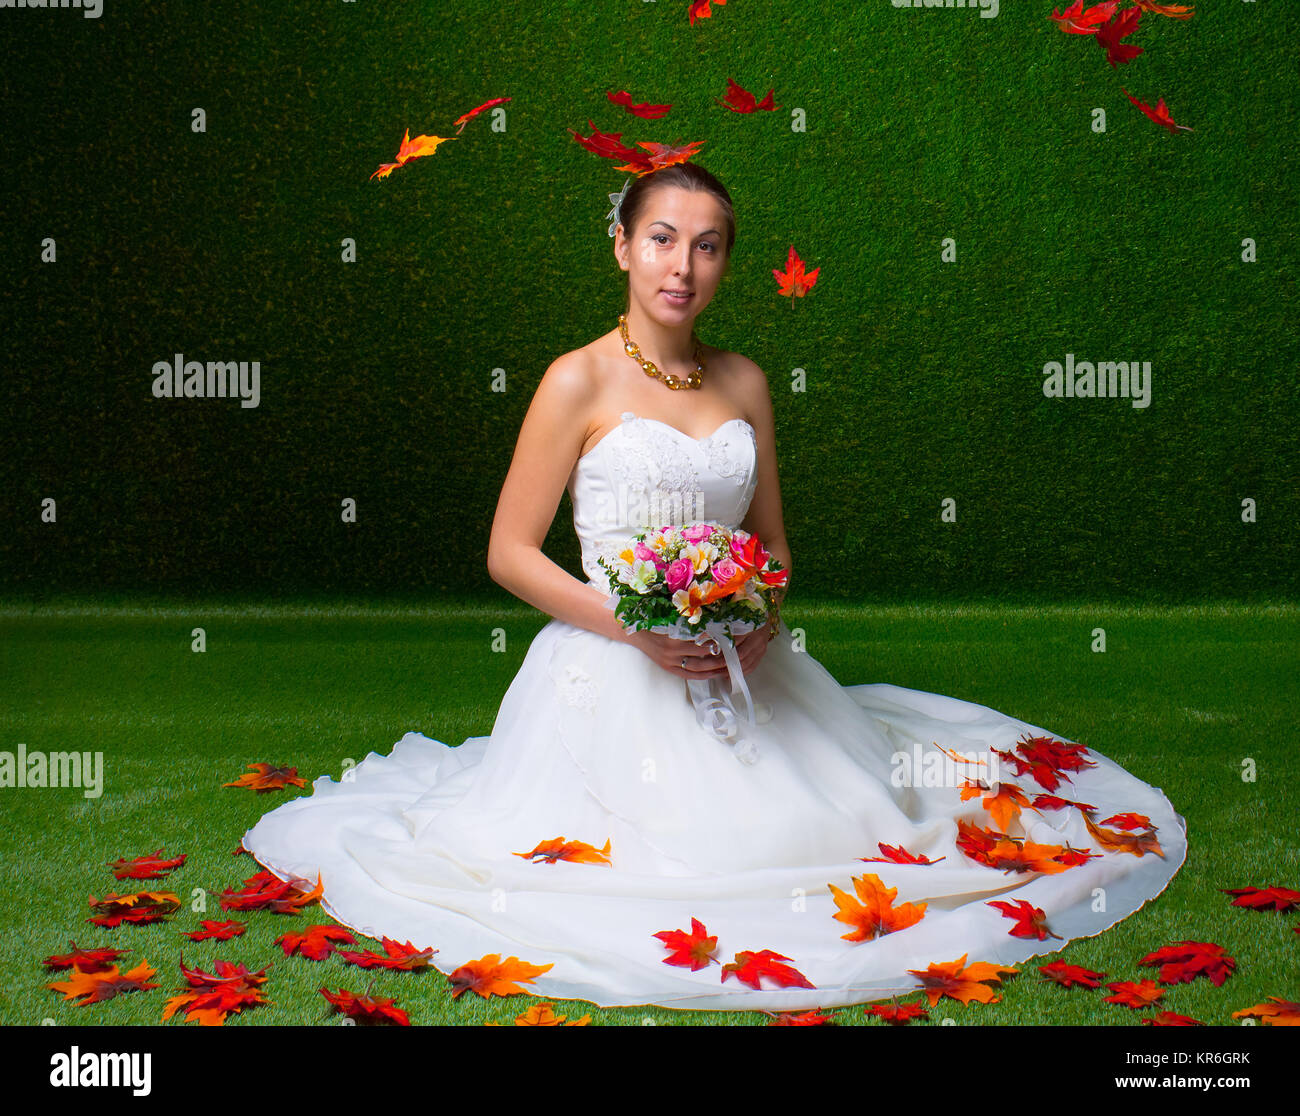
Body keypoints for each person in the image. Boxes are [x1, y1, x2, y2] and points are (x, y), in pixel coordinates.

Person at [242, 164, 1186, 1013]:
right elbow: (508, 552)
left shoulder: (744, 381)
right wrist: (635, 629)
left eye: (706, 246)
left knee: (846, 824)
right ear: (621, 245)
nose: (680, 266)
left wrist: (759, 612)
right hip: (614, 657)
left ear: (726, 262)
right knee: (688, 853)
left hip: (738, 657)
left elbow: (770, 543)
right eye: (660, 239)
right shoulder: (576, 380)